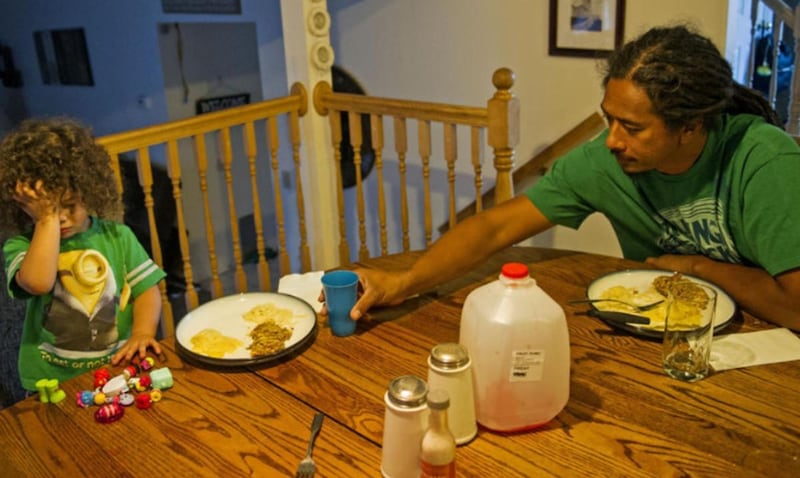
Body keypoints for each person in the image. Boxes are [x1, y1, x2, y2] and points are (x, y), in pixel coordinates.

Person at [329, 25, 800, 332]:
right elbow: (494, 227)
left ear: (691, 126)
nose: (611, 140)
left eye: (632, 128)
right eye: (608, 119)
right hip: (655, 341)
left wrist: (697, 268)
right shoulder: (606, 162)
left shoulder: (762, 160)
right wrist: (402, 282)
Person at [0, 117, 166, 394]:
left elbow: (147, 291)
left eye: (68, 205)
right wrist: (45, 220)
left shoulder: (118, 236)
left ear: (89, 193)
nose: (61, 218)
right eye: (45, 208)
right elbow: (38, 282)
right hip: (50, 378)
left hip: (116, 367)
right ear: (22, 203)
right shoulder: (21, 246)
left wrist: (142, 333)